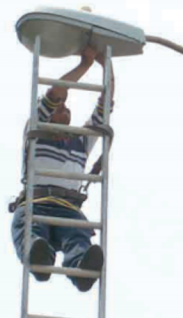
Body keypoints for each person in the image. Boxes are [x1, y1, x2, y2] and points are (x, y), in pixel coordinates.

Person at [10, 45, 114, 292]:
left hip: (68, 210)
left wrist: (106, 63)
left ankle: (82, 270)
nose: (64, 108)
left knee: (78, 236)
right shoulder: (35, 132)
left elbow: (106, 105)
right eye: (58, 107)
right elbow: (56, 92)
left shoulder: (80, 140)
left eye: (67, 108)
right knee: (30, 232)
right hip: (36, 204)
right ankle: (39, 259)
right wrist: (84, 65)